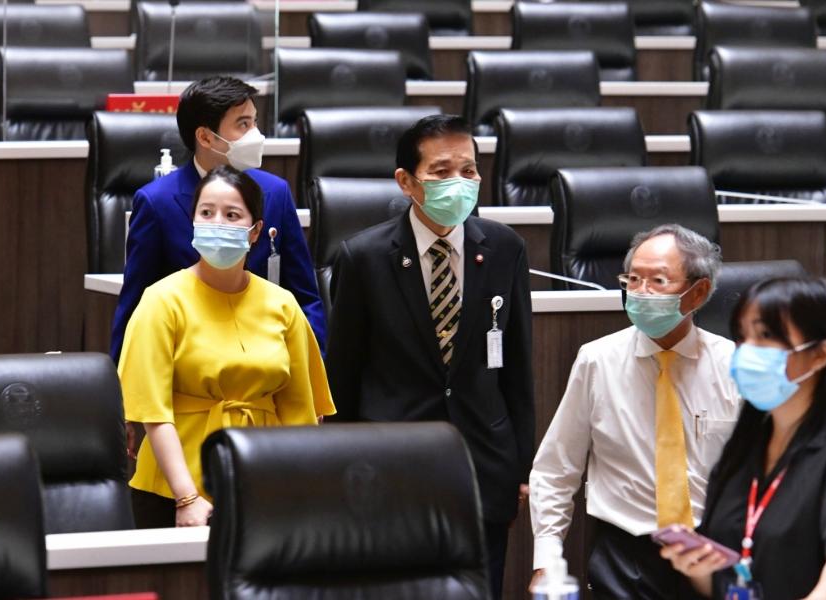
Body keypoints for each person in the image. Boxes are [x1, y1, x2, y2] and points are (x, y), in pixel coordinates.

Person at [325, 114, 535, 599]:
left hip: (483, 464)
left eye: (469, 170)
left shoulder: (505, 248)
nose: (459, 182)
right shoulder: (363, 257)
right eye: (441, 172)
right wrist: (343, 469)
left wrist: (521, 466)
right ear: (406, 182)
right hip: (391, 465)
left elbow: (519, 369)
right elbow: (343, 377)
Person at [529, 224, 741, 599]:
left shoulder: (733, 365)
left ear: (698, 292)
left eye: (657, 280)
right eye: (633, 279)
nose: (641, 292)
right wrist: (546, 562)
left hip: (713, 551)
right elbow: (556, 470)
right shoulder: (597, 360)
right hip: (625, 557)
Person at [118, 166, 334, 529]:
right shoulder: (161, 301)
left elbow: (302, 412)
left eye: (232, 215)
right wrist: (187, 498)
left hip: (264, 481)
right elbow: (154, 413)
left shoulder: (282, 304)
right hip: (173, 488)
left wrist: (300, 493)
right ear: (193, 223)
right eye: (206, 212)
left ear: (256, 232)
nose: (217, 222)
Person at [661, 277, 826, 599]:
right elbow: (723, 582)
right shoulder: (747, 438)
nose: (747, 350)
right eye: (742, 337)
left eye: (766, 336)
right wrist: (698, 567)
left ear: (819, 355)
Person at [110, 75, 325, 364]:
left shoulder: (275, 193)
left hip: (265, 358)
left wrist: (313, 368)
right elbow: (134, 305)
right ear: (205, 137)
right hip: (187, 359)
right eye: (243, 124)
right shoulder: (157, 202)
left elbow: (305, 297)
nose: (255, 134)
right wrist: (119, 382)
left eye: (255, 122)